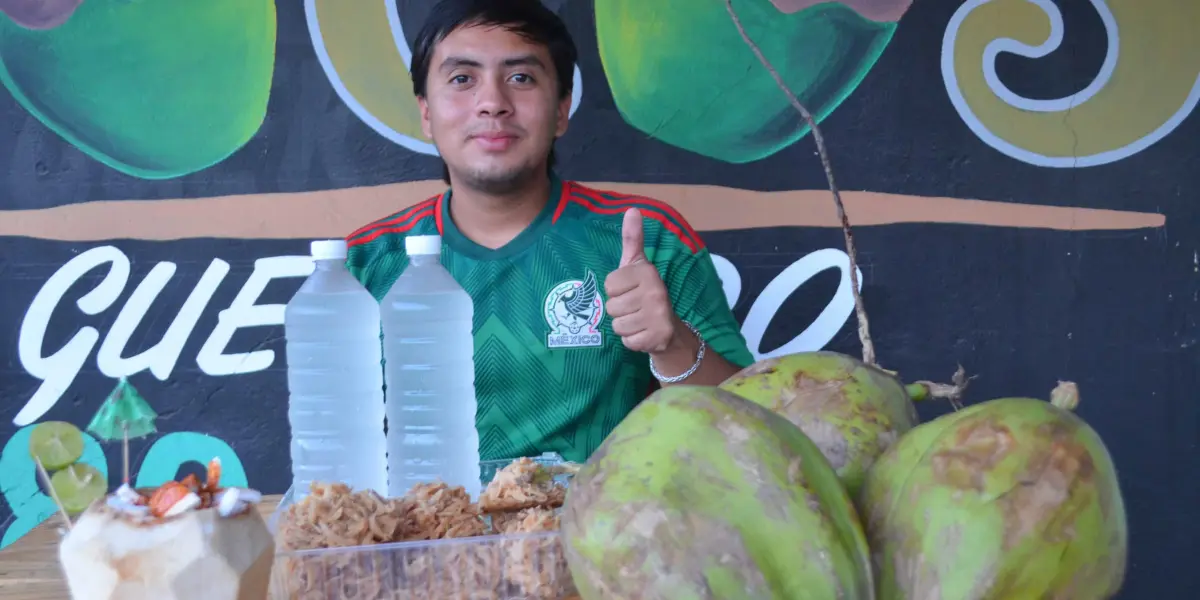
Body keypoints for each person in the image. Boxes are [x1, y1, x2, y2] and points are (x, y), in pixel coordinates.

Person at [345, 0, 754, 463]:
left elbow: (748, 430)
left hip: (605, 526)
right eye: (462, 79)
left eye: (521, 78)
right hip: (431, 530)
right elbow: (336, 454)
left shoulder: (646, 239)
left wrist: (672, 343)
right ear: (425, 112)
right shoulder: (362, 265)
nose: (492, 103)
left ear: (561, 109)